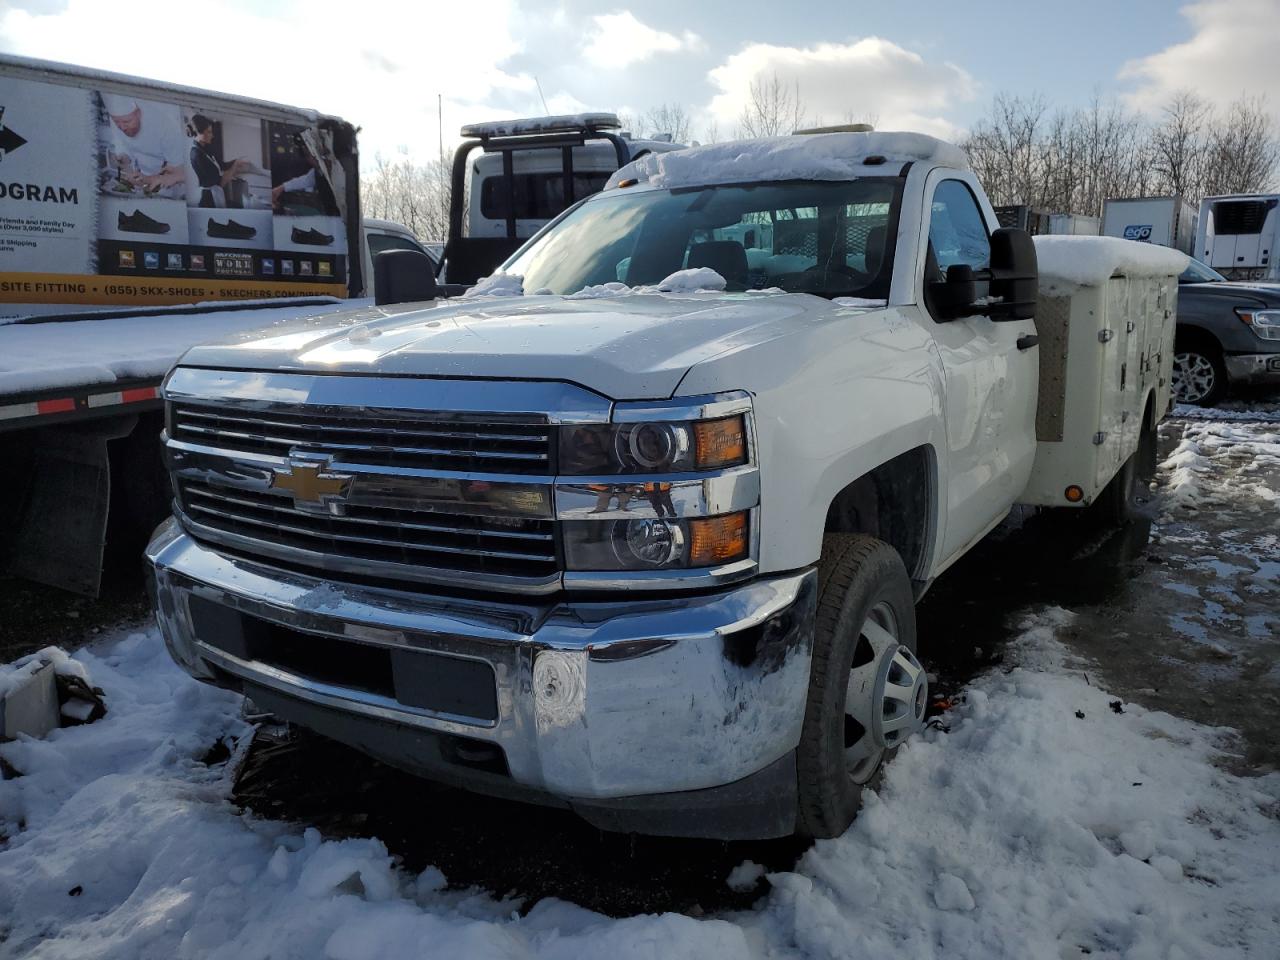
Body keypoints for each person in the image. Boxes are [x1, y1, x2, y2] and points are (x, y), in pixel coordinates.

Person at [103, 93, 187, 193]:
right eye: (117, 122)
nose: (122, 127)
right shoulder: (117, 120)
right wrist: (124, 157)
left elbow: (178, 168)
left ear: (138, 113)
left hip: (168, 184)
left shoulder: (166, 126)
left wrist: (152, 179)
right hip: (140, 177)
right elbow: (121, 143)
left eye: (127, 122)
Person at [189, 114, 254, 208]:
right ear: (199, 133)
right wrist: (235, 165)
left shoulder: (206, 148)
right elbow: (221, 182)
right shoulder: (196, 154)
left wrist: (237, 161)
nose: (212, 135)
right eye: (209, 132)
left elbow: (222, 165)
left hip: (216, 193)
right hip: (208, 199)